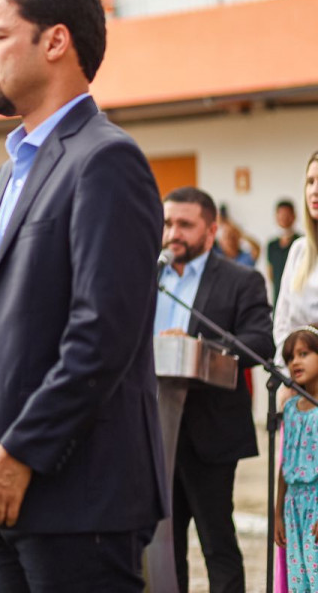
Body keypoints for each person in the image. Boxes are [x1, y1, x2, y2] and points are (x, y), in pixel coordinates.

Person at [0, 0, 166, 592]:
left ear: (55, 41)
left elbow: (100, 337)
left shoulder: (106, 159)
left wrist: (21, 452)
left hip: (79, 497)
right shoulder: (11, 172)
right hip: (1, 490)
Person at [156, 186, 273, 593]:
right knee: (161, 550)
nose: (174, 233)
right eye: (168, 223)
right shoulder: (147, 277)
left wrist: (198, 348)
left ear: (211, 230)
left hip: (209, 433)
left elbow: (260, 342)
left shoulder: (241, 280)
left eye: (185, 225)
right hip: (151, 433)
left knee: (217, 544)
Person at [275, 326, 318, 593]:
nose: (295, 362)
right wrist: (278, 513)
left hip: (316, 504)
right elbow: (285, 463)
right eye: (290, 357)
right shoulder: (290, 409)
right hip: (293, 505)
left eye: (304, 354)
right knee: (299, 580)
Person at [275, 153, 318, 355]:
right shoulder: (299, 249)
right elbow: (283, 321)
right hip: (297, 371)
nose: (314, 191)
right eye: (310, 182)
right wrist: (286, 368)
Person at [269, 200, 300, 306]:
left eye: (287, 214)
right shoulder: (272, 245)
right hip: (278, 298)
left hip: (298, 298)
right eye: (281, 214)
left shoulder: (301, 242)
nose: (284, 218)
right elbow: (271, 274)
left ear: (294, 216)